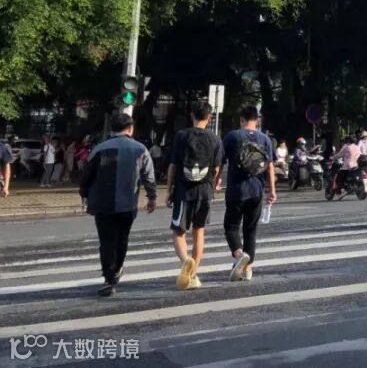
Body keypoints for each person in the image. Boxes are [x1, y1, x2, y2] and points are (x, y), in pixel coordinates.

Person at [80, 113, 157, 296]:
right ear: (130, 129)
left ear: (112, 129)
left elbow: (87, 176)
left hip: (103, 204)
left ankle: (109, 277)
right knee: (122, 238)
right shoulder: (140, 149)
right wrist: (152, 197)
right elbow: (148, 176)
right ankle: (117, 269)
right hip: (127, 204)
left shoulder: (99, 149)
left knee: (106, 241)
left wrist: (84, 194)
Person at [167, 101, 224, 291]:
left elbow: (173, 165)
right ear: (210, 117)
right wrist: (212, 185)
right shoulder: (215, 139)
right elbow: (217, 169)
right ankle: (193, 274)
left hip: (183, 190)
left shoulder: (181, 136)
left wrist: (169, 190)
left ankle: (185, 260)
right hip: (205, 190)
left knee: (178, 232)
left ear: (192, 115)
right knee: (199, 231)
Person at [221, 105, 275, 283]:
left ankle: (239, 254)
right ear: (257, 121)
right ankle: (248, 268)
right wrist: (272, 191)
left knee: (231, 227)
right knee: (250, 230)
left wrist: (215, 182)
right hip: (257, 190)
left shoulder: (232, 136)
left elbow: (219, 162)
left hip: (236, 190)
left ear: (241, 120)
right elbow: (270, 167)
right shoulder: (265, 139)